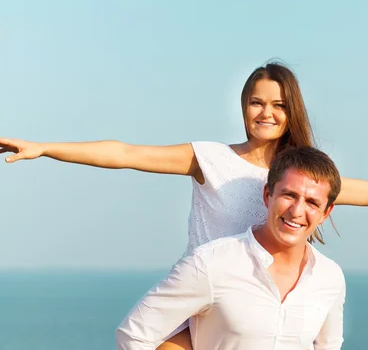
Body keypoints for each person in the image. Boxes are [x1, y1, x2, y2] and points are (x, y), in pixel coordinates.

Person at [0, 62, 368, 349]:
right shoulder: (208, 158)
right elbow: (124, 153)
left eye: (278, 104)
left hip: (265, 310)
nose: (266, 112)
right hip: (205, 310)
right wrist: (46, 148)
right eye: (256, 102)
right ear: (243, 107)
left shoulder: (302, 175)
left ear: (290, 109)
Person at [117, 146, 346, 350]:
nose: (296, 211)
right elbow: (134, 335)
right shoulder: (211, 263)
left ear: (326, 212)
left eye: (312, 202)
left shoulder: (330, 277)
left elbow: (329, 346)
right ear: (268, 195)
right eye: (289, 195)